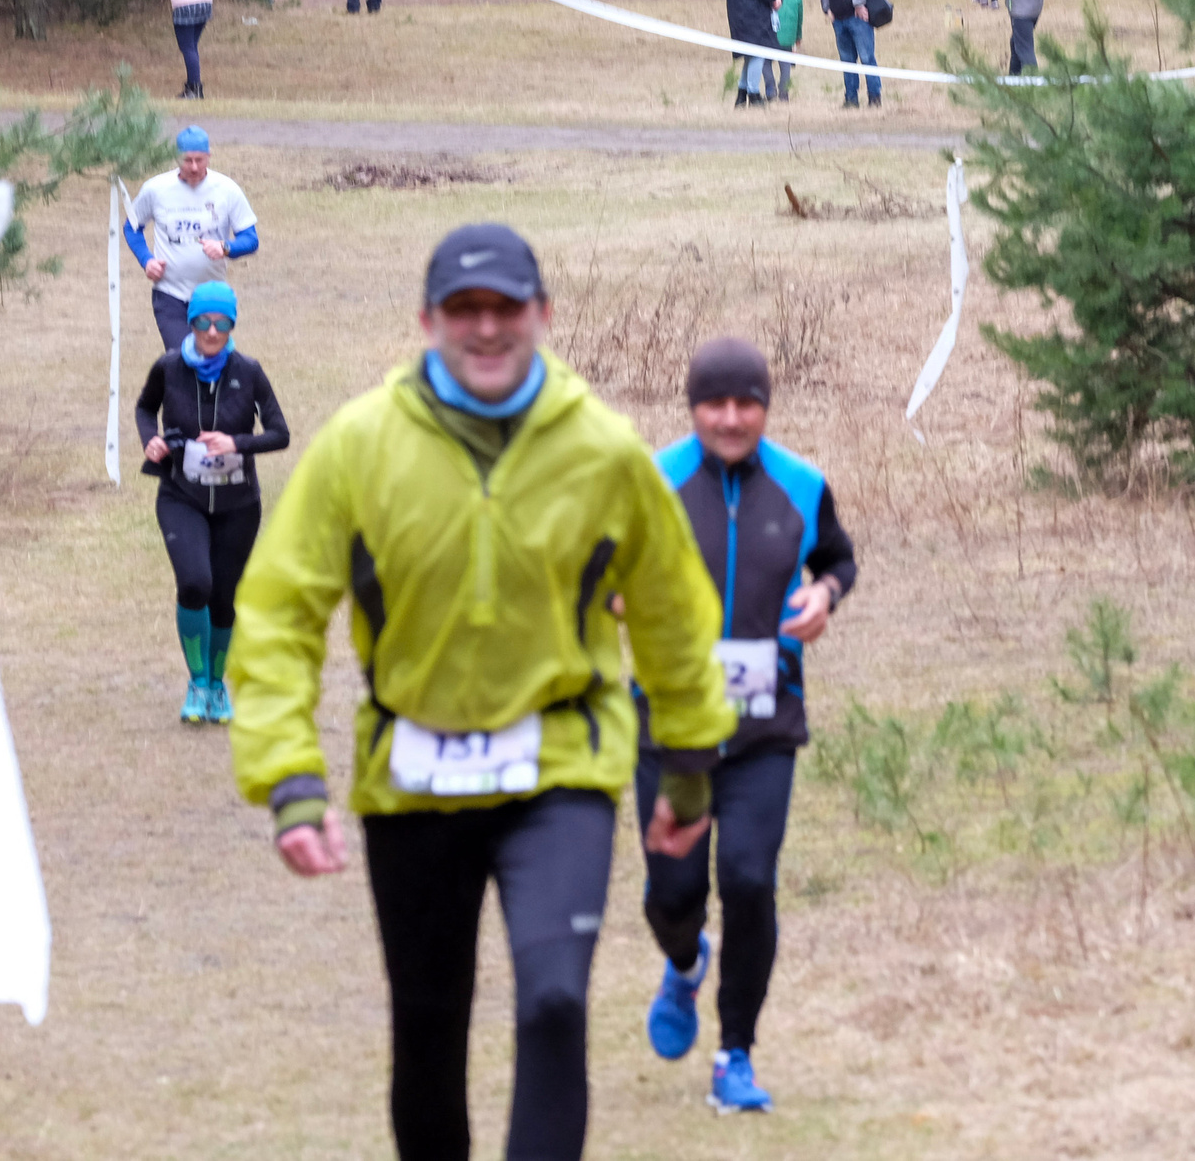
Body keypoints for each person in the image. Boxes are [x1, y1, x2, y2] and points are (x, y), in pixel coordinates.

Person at [228, 224, 735, 1161]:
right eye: (466, 310)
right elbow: (278, 614)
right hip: (413, 774)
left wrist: (692, 770)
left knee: (553, 999)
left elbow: (673, 613)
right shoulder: (359, 445)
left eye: (508, 308)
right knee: (428, 1034)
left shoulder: (603, 449)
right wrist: (290, 779)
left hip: (562, 765)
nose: (488, 328)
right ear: (428, 320)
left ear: (542, 313)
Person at [638, 337, 857, 1115]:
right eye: (714, 403)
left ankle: (735, 1055)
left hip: (765, 724)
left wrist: (826, 592)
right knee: (672, 894)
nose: (731, 418)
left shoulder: (801, 484)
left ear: (766, 405)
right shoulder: (653, 481)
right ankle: (684, 957)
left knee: (751, 880)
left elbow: (839, 556)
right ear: (692, 406)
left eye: (747, 403)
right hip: (667, 727)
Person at [137, 280, 290, 724]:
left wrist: (236, 443)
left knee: (224, 599)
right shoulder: (168, 368)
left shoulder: (249, 370)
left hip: (238, 504)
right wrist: (151, 442)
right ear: (191, 323)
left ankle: (218, 687)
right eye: (203, 321)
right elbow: (145, 409)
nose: (211, 330)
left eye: (221, 322)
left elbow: (280, 433)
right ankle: (197, 682)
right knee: (194, 584)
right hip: (181, 497)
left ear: (231, 325)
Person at [124, 125, 259, 351]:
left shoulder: (226, 190)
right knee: (182, 358)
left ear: (209, 157)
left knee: (211, 361)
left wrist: (225, 247)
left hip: (211, 295)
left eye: (200, 160)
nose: (194, 167)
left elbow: (250, 239)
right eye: (187, 161)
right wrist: (146, 260)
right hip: (169, 293)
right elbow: (132, 227)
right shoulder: (156, 189)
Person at [770, 0, 802, 102]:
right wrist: (798, 37)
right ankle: (784, 95)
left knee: (764, 62)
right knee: (786, 67)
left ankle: (770, 89)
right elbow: (799, 18)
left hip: (771, 34)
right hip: (788, 37)